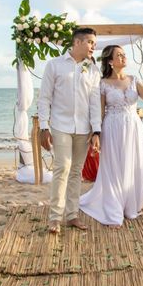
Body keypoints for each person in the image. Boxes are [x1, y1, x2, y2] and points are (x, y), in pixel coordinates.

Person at [79, 45, 143, 228]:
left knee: (132, 163)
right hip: (112, 127)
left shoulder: (133, 79)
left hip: (133, 127)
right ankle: (114, 209)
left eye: (124, 55)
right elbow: (99, 111)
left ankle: (130, 204)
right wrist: (95, 134)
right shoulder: (103, 83)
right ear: (110, 61)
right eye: (119, 55)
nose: (123, 57)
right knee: (114, 167)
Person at [37, 27, 101, 234]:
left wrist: (96, 131)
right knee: (62, 168)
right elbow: (44, 98)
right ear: (78, 42)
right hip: (60, 125)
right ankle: (55, 218)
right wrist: (43, 127)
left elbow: (94, 102)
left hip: (83, 128)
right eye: (90, 42)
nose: (94, 46)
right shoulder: (54, 65)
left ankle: (72, 215)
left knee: (76, 172)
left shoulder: (93, 69)